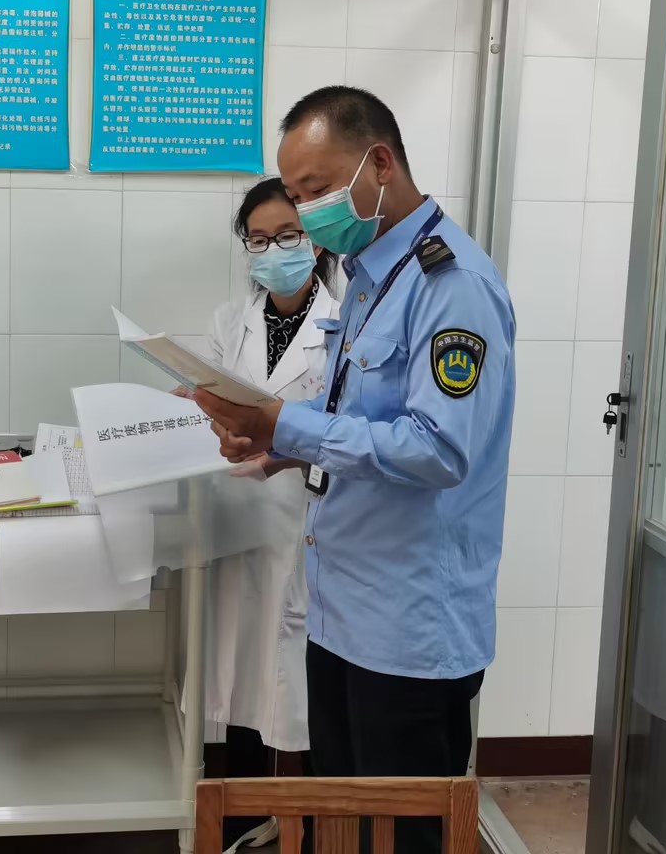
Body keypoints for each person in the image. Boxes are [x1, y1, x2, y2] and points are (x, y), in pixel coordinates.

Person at [192, 86, 516, 854]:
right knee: (342, 825)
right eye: (296, 193)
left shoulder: (451, 286)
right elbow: (358, 418)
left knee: (401, 837)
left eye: (315, 190)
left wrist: (284, 423)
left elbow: (439, 449)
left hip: (407, 633)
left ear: (380, 164)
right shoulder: (375, 277)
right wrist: (279, 448)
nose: (308, 214)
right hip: (342, 613)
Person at [202, 178, 339, 853]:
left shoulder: (343, 327)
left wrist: (278, 447)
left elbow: (342, 432)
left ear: (316, 241)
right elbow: (211, 403)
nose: (273, 250)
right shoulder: (231, 322)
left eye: (287, 235)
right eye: (258, 240)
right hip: (236, 513)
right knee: (237, 671)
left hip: (303, 518)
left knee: (294, 681)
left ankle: (302, 824)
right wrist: (208, 418)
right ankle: (246, 816)